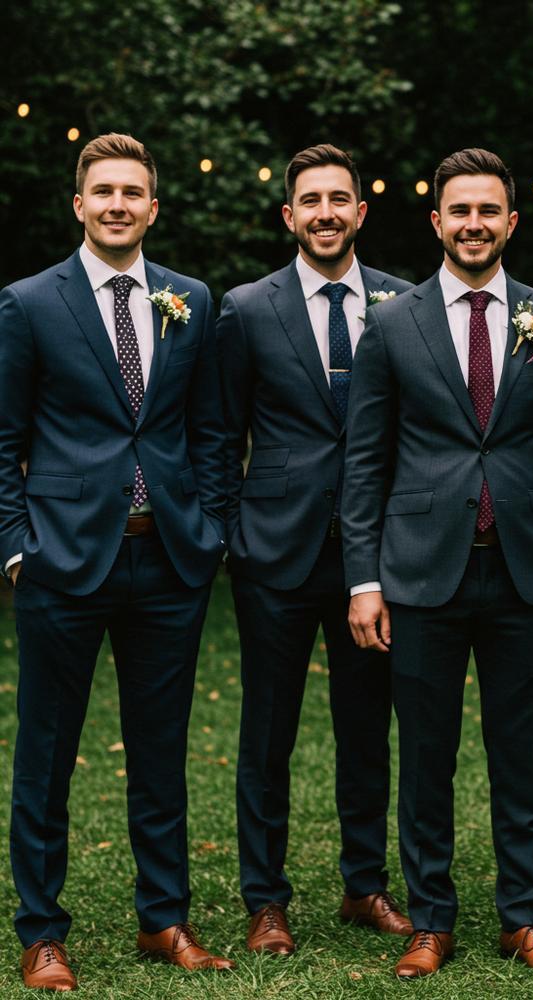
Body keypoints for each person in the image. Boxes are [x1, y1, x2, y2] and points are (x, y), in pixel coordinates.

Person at [341, 148, 533, 978]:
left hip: (525, 569)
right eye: (461, 211)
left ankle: (522, 917)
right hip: (420, 572)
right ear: (437, 221)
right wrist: (365, 578)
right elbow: (365, 461)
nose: (475, 224)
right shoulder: (392, 322)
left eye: (490, 211)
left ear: (510, 222)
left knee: (519, 756)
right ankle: (432, 918)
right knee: (426, 755)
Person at [0, 133, 231, 991]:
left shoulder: (191, 300)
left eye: (133, 192)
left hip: (167, 561)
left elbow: (210, 429)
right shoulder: (29, 304)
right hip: (60, 564)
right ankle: (41, 930)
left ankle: (164, 920)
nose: (118, 204)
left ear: (154, 206)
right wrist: (18, 549)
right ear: (78, 204)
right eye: (103, 191)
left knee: (162, 748)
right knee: (47, 753)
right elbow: (3, 438)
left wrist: (207, 534)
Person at [217, 143, 413, 954]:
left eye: (341, 199)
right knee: (268, 730)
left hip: (375, 557)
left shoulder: (404, 304)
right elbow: (219, 434)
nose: (326, 212)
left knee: (368, 724)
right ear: (289, 215)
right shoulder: (246, 308)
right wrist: (234, 537)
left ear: (360, 213)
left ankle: (363, 884)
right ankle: (266, 899)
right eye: (311, 201)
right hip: (276, 552)